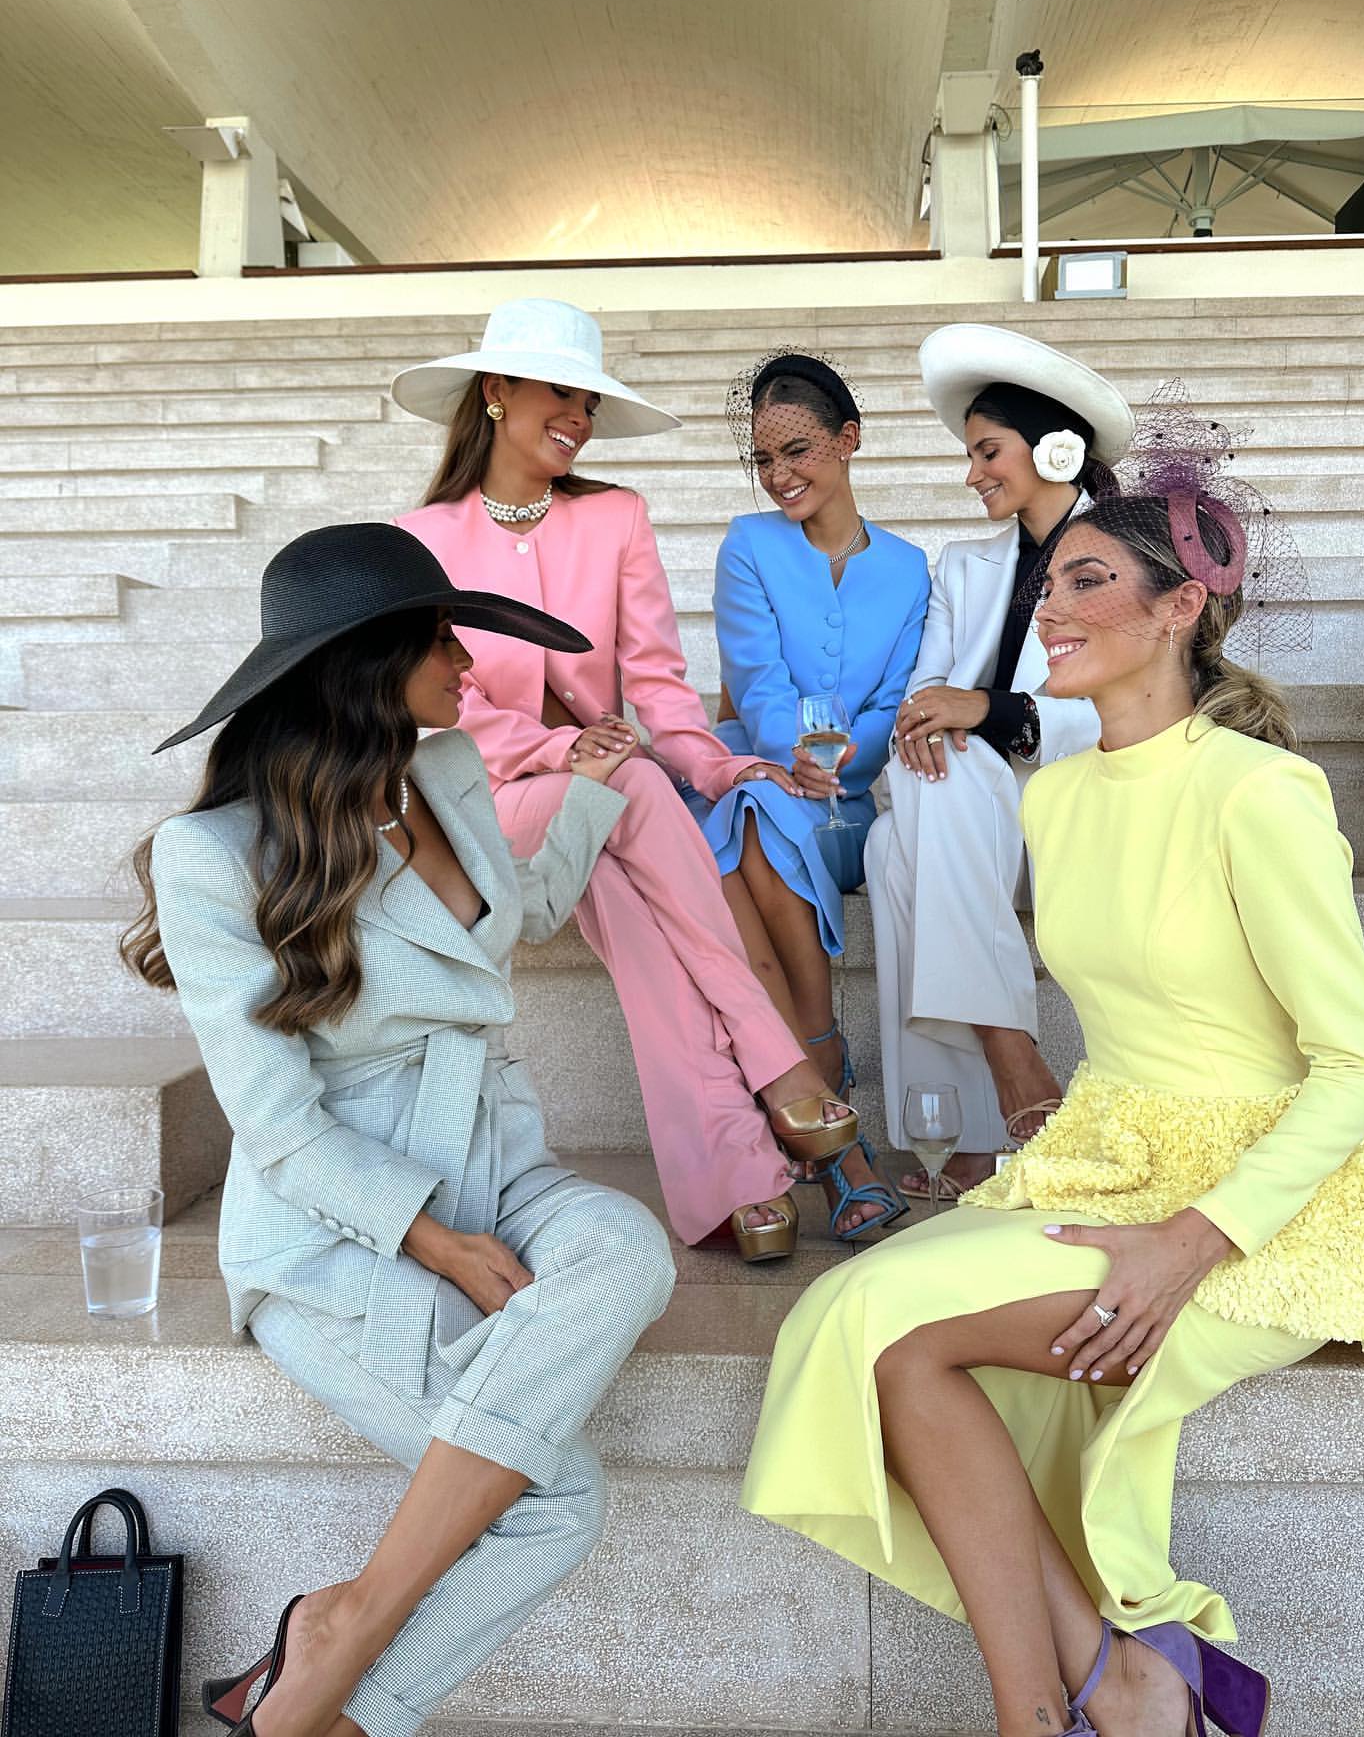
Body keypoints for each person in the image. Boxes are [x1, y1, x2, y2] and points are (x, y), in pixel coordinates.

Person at [742, 425, 1364, 1737]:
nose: (1048, 609)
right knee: (857, 1322)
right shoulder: (1056, 800)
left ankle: (1071, 1705)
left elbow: (1360, 1064)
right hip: (1105, 1160)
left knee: (884, 1330)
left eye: (1086, 582)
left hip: (1268, 1203)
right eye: (1048, 583)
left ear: (1178, 611)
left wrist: (1192, 1241)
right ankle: (1108, 1691)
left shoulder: (1263, 792)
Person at [121, 523, 678, 1737]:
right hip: (333, 1229)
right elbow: (279, 1129)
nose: (467, 665)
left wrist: (591, 791)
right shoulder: (212, 855)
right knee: (556, 1505)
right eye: (440, 640)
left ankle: (342, 1626)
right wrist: (435, 1242)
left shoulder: (448, 774)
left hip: (499, 1156)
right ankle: (348, 1704)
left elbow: (515, 915)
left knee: (629, 1247)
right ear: (366, 664)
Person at [390, 298, 858, 1260]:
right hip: (482, 798)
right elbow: (438, 705)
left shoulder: (614, 518)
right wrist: (564, 751)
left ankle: (739, 1176)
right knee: (629, 788)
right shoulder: (421, 537)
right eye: (560, 394)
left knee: (618, 844)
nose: (579, 418)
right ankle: (779, 1066)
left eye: (590, 404)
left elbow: (657, 685)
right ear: (496, 392)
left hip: (599, 798)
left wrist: (723, 763)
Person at [865, 325, 1132, 1198]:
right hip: (971, 803)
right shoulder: (963, 566)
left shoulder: (1125, 561)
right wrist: (942, 717)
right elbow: (928, 689)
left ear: (1056, 449)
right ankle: (1003, 1093)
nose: (972, 473)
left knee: (905, 835)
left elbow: (1130, 702)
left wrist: (990, 711)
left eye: (988, 451)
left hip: (1077, 791)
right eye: (969, 454)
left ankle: (976, 1117)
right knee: (906, 820)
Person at [685, 350, 930, 1237]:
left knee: (756, 828)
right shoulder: (748, 546)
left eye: (797, 450)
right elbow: (755, 681)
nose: (779, 474)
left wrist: (843, 760)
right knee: (754, 811)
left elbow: (897, 698)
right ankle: (827, 1083)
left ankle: (811, 1092)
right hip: (757, 776)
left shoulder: (909, 568)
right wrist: (792, 753)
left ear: (848, 440)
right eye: (764, 459)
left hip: (852, 807)